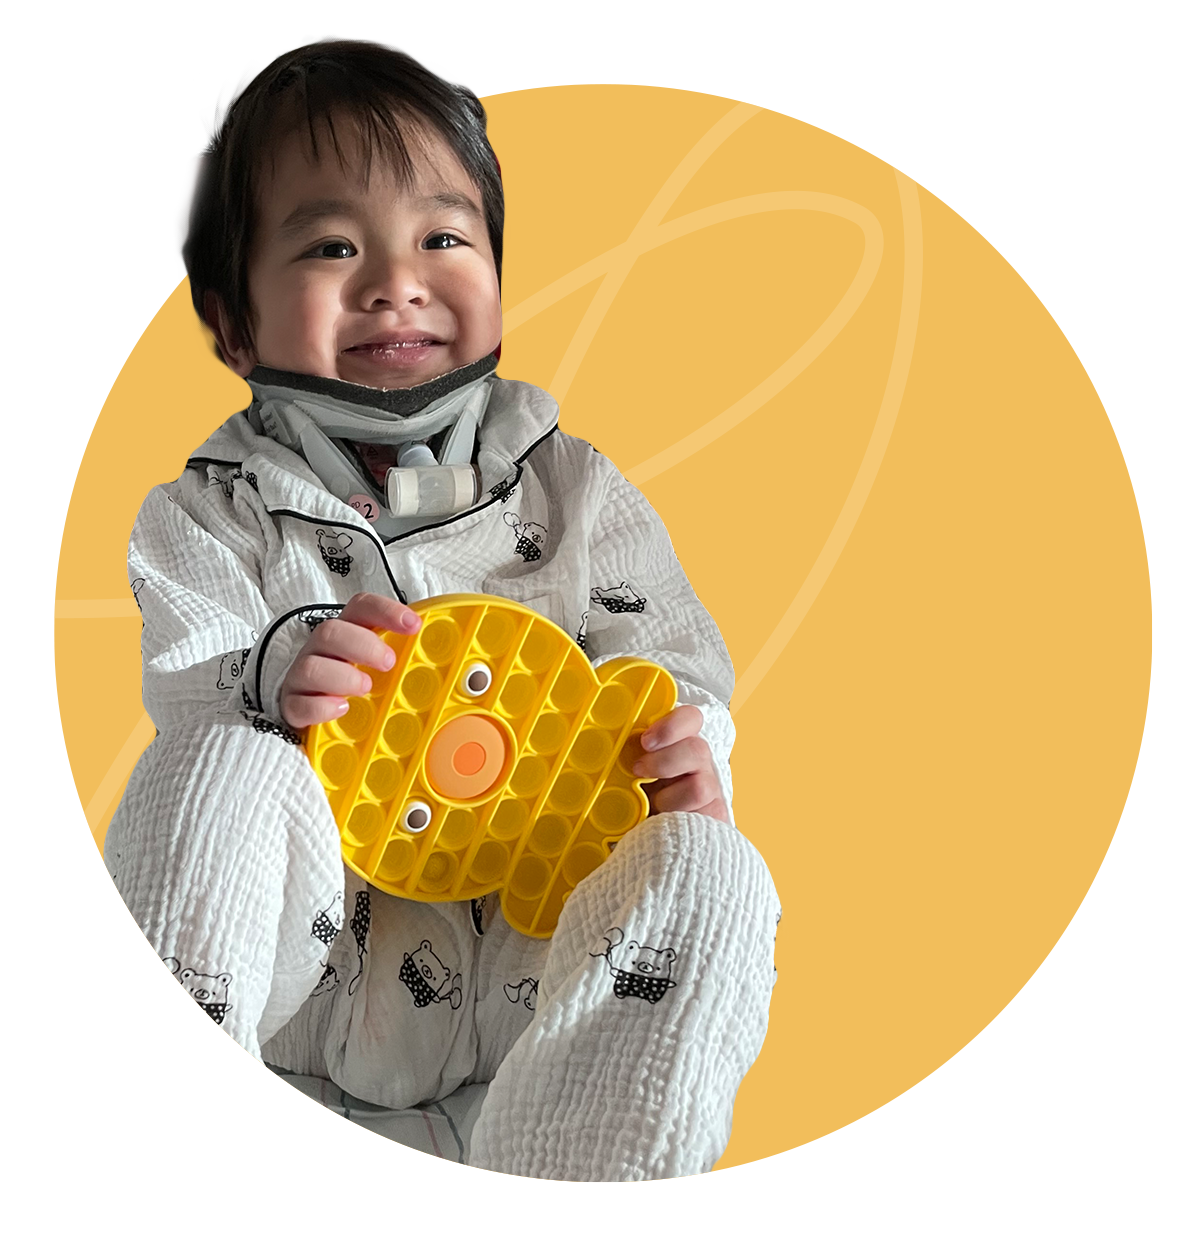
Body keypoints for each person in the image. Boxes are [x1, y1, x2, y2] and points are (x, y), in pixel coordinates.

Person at [105, 34, 780, 1182]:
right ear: (230, 322)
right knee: (212, 769)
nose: (395, 280)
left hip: (542, 978)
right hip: (303, 992)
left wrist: (681, 753)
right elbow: (187, 667)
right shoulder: (206, 513)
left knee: (716, 868)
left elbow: (674, 654)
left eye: (442, 236)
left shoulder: (577, 491)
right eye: (330, 245)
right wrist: (273, 676)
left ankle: (594, 1178)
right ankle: (151, 1141)